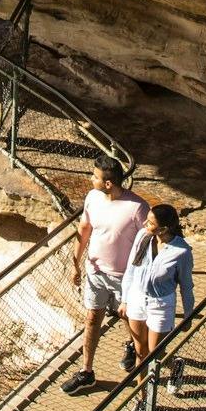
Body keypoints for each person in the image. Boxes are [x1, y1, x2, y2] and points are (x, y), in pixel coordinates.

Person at [62, 156, 150, 394]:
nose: (91, 179)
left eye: (95, 176)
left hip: (125, 277)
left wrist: (141, 276)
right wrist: (76, 264)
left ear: (109, 183)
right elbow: (84, 228)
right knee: (92, 318)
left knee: (127, 317)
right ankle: (86, 371)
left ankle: (133, 345)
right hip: (96, 272)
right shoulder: (93, 198)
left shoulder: (137, 208)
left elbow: (149, 243)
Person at [122, 204, 196, 411]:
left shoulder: (181, 251)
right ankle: (143, 400)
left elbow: (186, 286)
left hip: (161, 304)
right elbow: (130, 269)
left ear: (163, 228)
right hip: (137, 298)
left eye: (151, 223)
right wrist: (125, 299)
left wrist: (188, 314)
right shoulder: (142, 237)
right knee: (141, 353)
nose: (145, 225)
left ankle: (174, 365)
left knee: (156, 353)